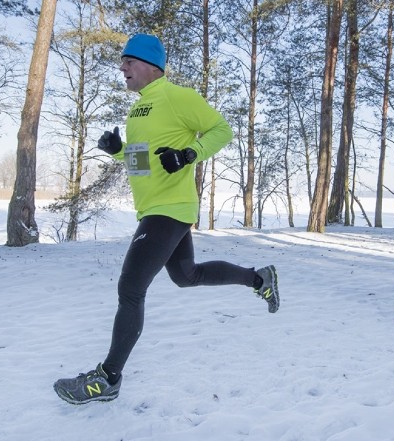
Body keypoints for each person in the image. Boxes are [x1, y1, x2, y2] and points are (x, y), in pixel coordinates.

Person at [54, 33, 280, 404]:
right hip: (155, 206)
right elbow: (142, 165)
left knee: (130, 289)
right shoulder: (137, 110)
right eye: (121, 61)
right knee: (185, 275)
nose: (122, 67)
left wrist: (190, 154)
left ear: (151, 65)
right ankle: (259, 279)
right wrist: (119, 151)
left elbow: (223, 130)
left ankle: (107, 379)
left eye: (129, 60)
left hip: (170, 208)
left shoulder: (179, 97)